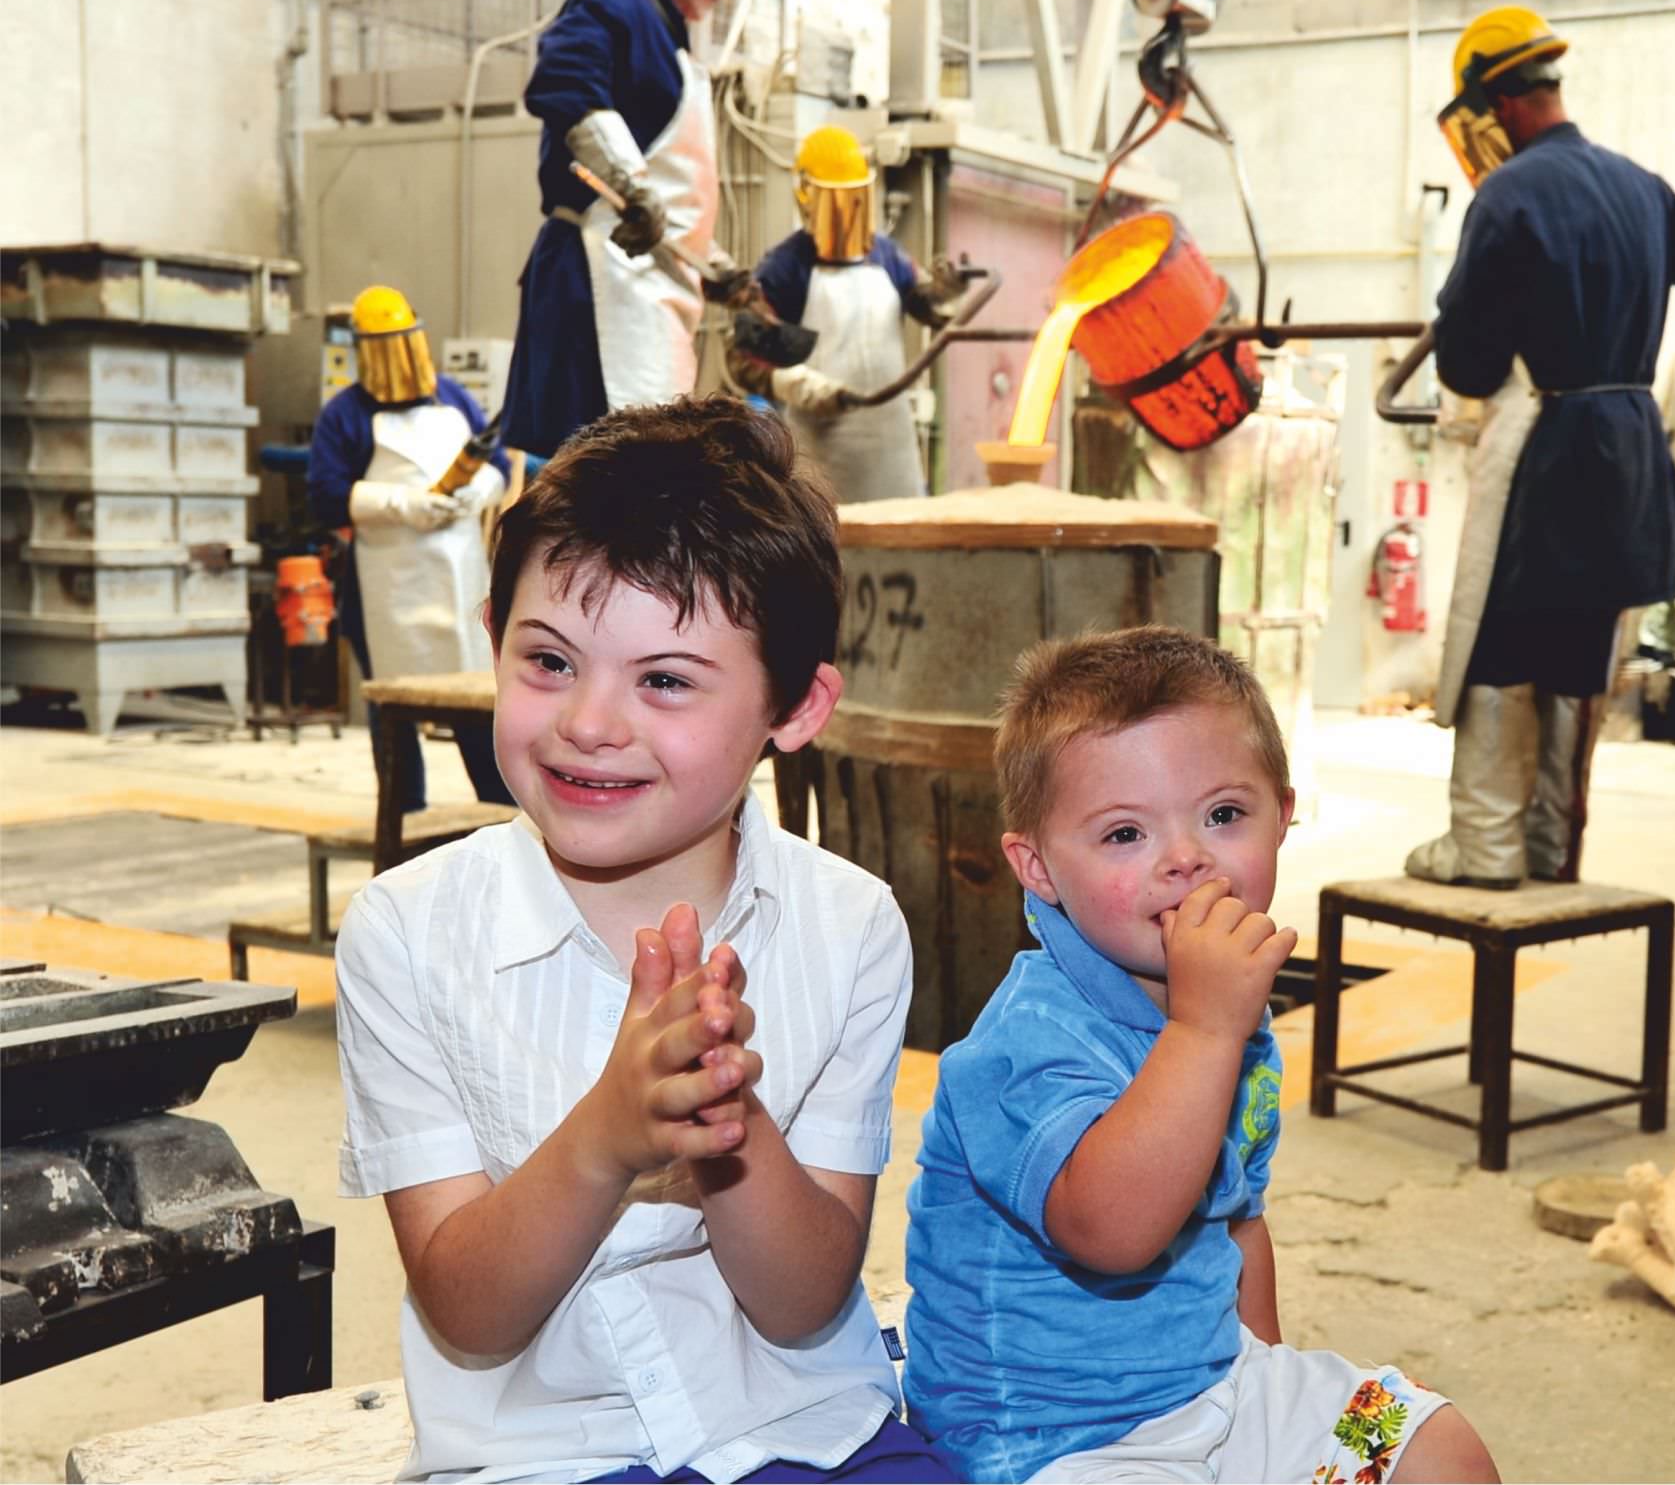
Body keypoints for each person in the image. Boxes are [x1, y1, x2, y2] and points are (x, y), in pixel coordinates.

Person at [334, 397, 953, 1484]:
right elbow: (468, 1314)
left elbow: (804, 1302)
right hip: (539, 1456)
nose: (589, 721)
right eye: (549, 661)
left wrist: (725, 1122)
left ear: (795, 709)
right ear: (492, 638)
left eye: (664, 679)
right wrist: (609, 1135)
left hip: (802, 1423)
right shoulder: (408, 933)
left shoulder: (850, 926)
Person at [902, 626, 1500, 1484]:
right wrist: (1205, 1031)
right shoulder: (1024, 1044)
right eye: (1122, 835)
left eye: (1223, 814)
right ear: (1036, 866)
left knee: (1438, 1446)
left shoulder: (1228, 1009)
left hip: (1215, 1384)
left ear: (1284, 816)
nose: (1185, 858)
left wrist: (1274, 1401)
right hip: (1052, 1439)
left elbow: (1238, 1223)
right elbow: (1111, 1231)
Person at [1407, 6, 1675, 889]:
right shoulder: (1634, 183)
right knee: (1577, 657)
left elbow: (1471, 364)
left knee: (1500, 648)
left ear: (1493, 103)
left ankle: (1485, 846)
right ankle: (1551, 845)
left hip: (1552, 450)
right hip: (1632, 457)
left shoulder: (1508, 194)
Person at [496, 0, 759, 460]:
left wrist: (715, 267)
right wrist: (630, 188)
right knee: (605, 478)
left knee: (645, 467)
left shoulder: (665, 36)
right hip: (598, 287)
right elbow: (564, 81)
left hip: (648, 291)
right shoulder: (614, 3)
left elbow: (669, 188)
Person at [307, 283, 512, 811]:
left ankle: (501, 817)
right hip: (387, 592)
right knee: (394, 715)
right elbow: (326, 496)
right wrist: (404, 504)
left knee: (479, 705)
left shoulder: (452, 397)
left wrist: (476, 491)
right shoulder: (344, 415)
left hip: (462, 580)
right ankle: (402, 828)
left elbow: (501, 465)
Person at [727, 125, 970, 502]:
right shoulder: (785, 269)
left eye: (853, 199)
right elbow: (741, 360)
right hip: (822, 454)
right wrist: (799, 386)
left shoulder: (886, 255)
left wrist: (945, 291)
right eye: (835, 201)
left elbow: (928, 307)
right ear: (807, 197)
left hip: (894, 455)